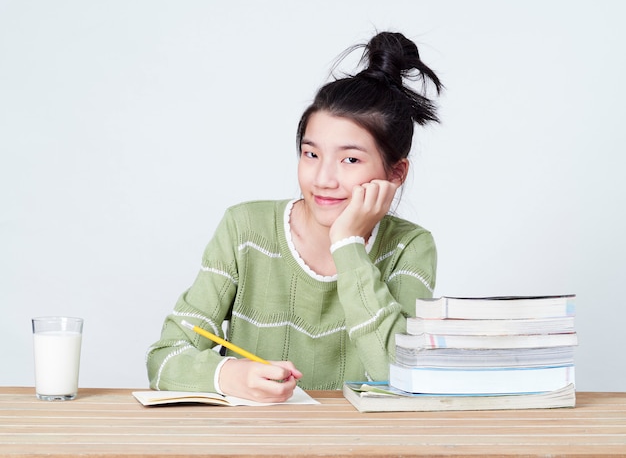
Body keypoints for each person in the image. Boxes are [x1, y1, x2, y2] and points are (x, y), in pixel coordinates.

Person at [146, 31, 443, 402]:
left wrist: (348, 244)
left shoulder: (409, 247)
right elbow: (163, 360)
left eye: (350, 159)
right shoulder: (245, 230)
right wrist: (230, 375)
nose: (323, 178)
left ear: (395, 174)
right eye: (311, 154)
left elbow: (399, 374)